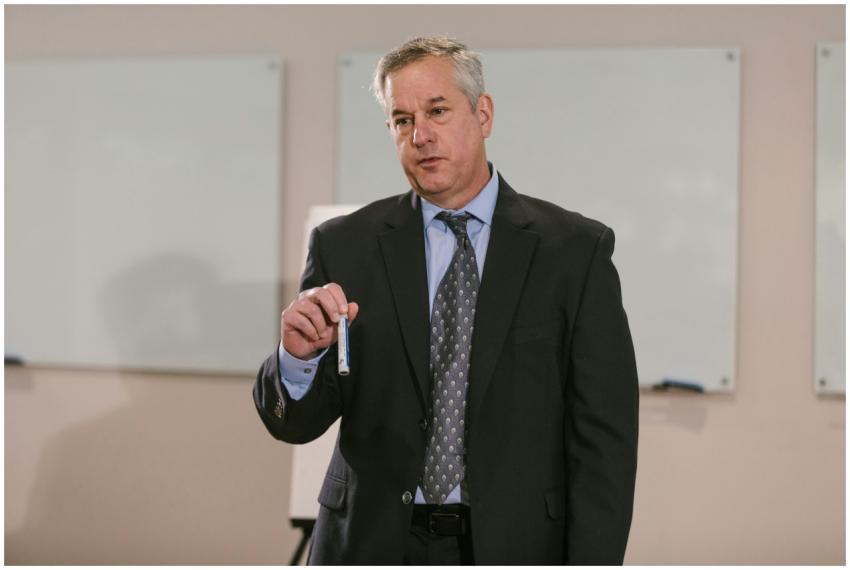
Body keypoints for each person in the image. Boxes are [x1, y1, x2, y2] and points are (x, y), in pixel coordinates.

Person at [253, 36, 638, 565]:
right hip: (367, 544)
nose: (421, 136)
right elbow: (293, 423)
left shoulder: (574, 252)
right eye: (402, 120)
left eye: (437, 111)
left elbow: (605, 443)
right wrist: (297, 360)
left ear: (483, 115)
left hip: (514, 546)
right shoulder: (345, 245)